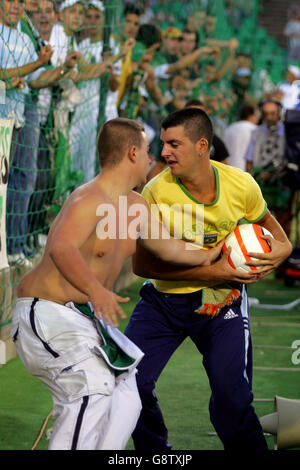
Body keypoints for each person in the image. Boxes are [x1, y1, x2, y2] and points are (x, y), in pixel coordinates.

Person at [10, 117, 222, 451]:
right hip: (46, 314)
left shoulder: (135, 205)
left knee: (126, 398)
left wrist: (219, 256)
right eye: (150, 150)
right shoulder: (89, 198)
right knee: (91, 388)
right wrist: (96, 292)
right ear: (133, 153)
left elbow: (172, 248)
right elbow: (60, 248)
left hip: (82, 319)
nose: (155, 158)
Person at [124, 107, 292, 451]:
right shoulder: (156, 191)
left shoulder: (240, 184)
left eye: (174, 144)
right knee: (129, 384)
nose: (164, 152)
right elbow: (142, 266)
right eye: (164, 143)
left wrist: (283, 249)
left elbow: (275, 232)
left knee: (233, 399)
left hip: (223, 302)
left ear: (203, 146)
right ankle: (157, 453)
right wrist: (211, 270)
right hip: (164, 302)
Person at [245, 99, 292, 236]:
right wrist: (251, 181)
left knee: (284, 219)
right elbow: (249, 159)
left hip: (282, 183)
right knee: (261, 219)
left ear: (279, 114)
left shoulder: (288, 132)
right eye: (266, 114)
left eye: (273, 114)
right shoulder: (256, 132)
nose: (269, 118)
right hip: (261, 183)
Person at [224, 103, 258, 171]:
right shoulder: (255, 130)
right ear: (251, 116)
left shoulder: (230, 128)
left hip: (228, 168)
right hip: (245, 171)